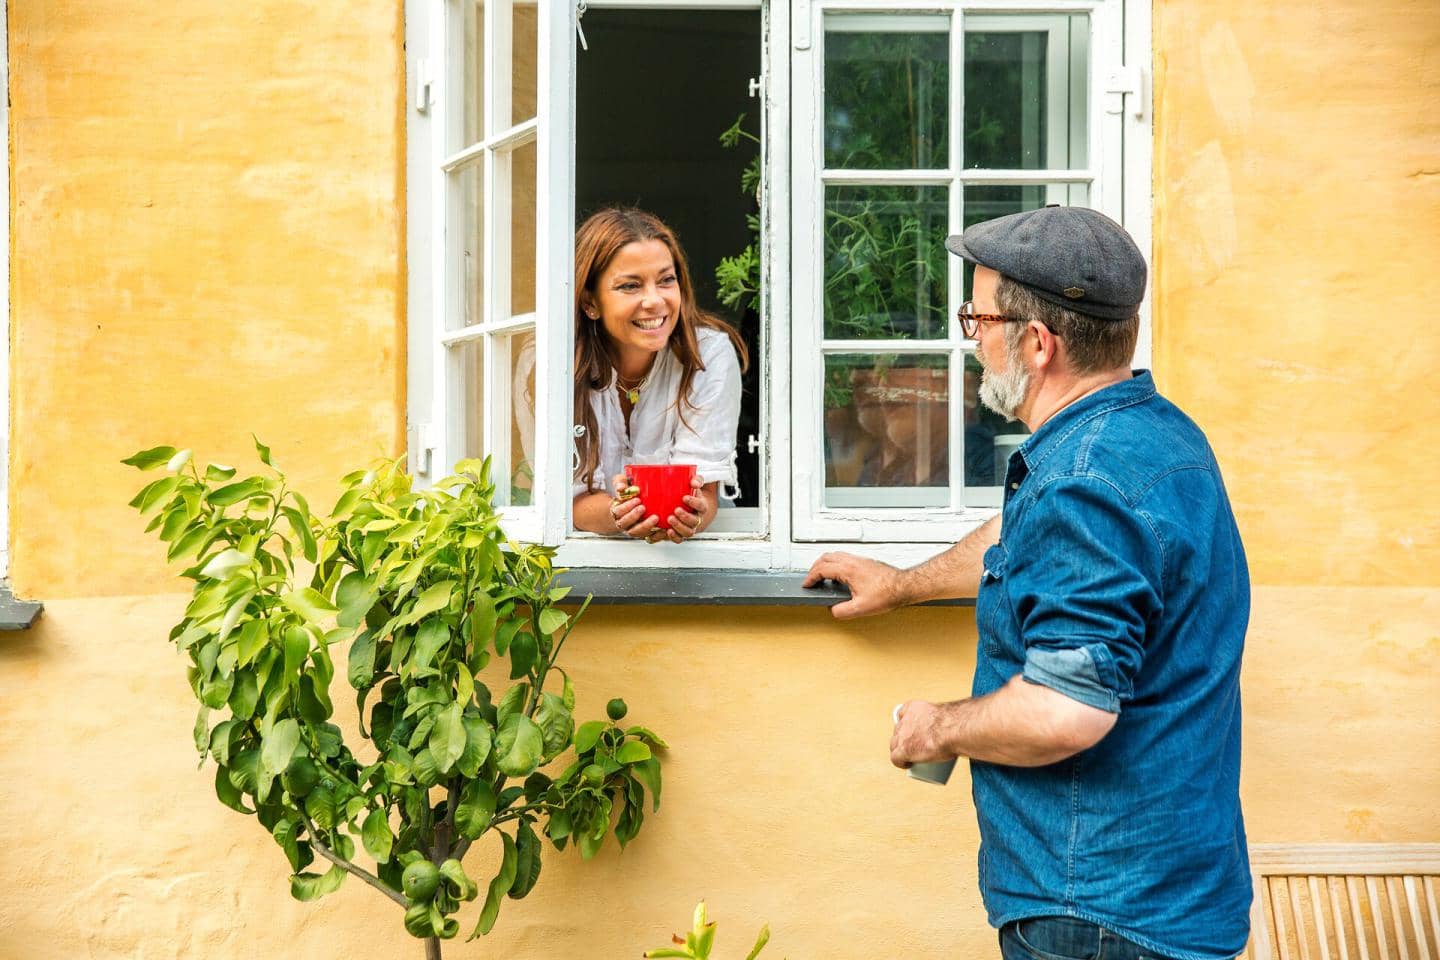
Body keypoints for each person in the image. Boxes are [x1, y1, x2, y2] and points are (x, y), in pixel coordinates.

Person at [803, 206, 1251, 960]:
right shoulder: (1149, 435)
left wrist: (934, 728)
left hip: (1098, 915)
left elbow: (1067, 710)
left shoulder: (1081, 483)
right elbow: (1019, 539)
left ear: (1036, 344)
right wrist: (904, 584)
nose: (970, 338)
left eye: (977, 318)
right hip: (1165, 895)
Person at [571, 207, 749, 542]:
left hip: (698, 559)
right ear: (590, 303)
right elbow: (567, 500)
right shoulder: (552, 365)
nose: (655, 301)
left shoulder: (708, 355)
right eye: (630, 286)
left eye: (666, 280)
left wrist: (690, 513)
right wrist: (618, 512)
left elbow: (704, 492)